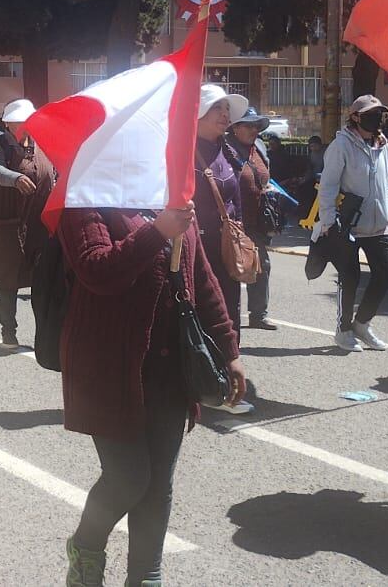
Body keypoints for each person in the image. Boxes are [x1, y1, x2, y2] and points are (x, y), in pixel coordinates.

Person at [57, 200, 245, 587]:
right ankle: (85, 547)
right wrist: (157, 231)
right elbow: (96, 269)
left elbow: (202, 280)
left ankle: (147, 577)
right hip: (107, 366)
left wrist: (229, 350)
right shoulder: (87, 196)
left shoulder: (173, 196)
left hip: (170, 368)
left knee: (159, 484)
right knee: (127, 477)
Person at [312, 94, 388, 352]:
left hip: (378, 224)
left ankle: (362, 323)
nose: (376, 119)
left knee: (386, 273)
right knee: (350, 278)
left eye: (379, 114)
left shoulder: (382, 144)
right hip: (347, 224)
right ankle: (344, 329)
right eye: (370, 114)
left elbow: (387, 181)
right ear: (356, 117)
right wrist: (327, 221)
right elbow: (328, 185)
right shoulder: (342, 146)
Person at [192, 84, 254, 414]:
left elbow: (236, 196)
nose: (224, 115)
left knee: (231, 311)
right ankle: (211, 386)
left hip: (226, 246)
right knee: (207, 314)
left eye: (225, 109)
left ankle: (227, 381)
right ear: (198, 113)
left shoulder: (227, 150)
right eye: (217, 108)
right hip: (199, 247)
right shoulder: (184, 151)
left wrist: (239, 230)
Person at [0, 100, 56, 346]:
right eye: (20, 122)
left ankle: (44, 335)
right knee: (7, 278)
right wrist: (16, 177)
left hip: (38, 221)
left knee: (42, 279)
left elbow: (54, 172)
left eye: (28, 122)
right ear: (8, 124)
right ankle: (8, 332)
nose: (25, 126)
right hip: (7, 222)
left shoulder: (41, 143)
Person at [228, 107, 277, 330]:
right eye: (248, 125)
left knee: (261, 265)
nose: (253, 129)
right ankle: (226, 316)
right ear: (235, 128)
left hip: (256, 219)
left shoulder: (259, 147)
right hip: (232, 219)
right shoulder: (224, 148)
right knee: (230, 266)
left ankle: (258, 314)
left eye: (256, 125)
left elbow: (265, 176)